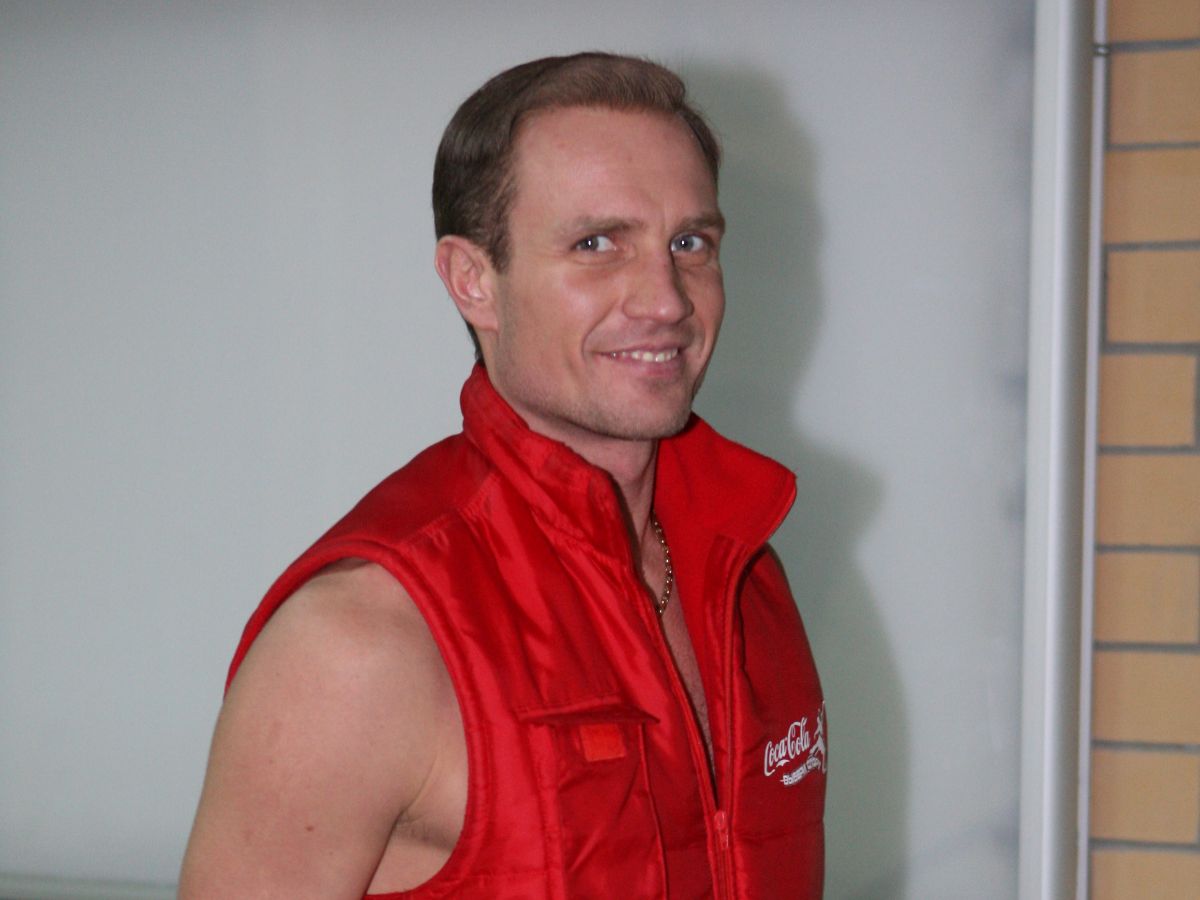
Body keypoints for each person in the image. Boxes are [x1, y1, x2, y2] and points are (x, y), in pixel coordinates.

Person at [180, 51, 825, 899]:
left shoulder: (748, 577)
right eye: (597, 244)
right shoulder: (358, 642)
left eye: (689, 242)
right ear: (474, 281)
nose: (667, 299)